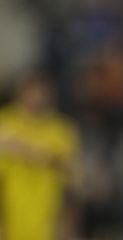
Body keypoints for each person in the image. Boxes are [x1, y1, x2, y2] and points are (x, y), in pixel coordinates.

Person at [0, 72, 81, 240]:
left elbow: (70, 173)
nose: (36, 98)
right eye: (31, 92)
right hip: (10, 215)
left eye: (41, 93)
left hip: (47, 214)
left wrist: (24, 150)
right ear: (20, 92)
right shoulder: (5, 122)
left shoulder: (61, 130)